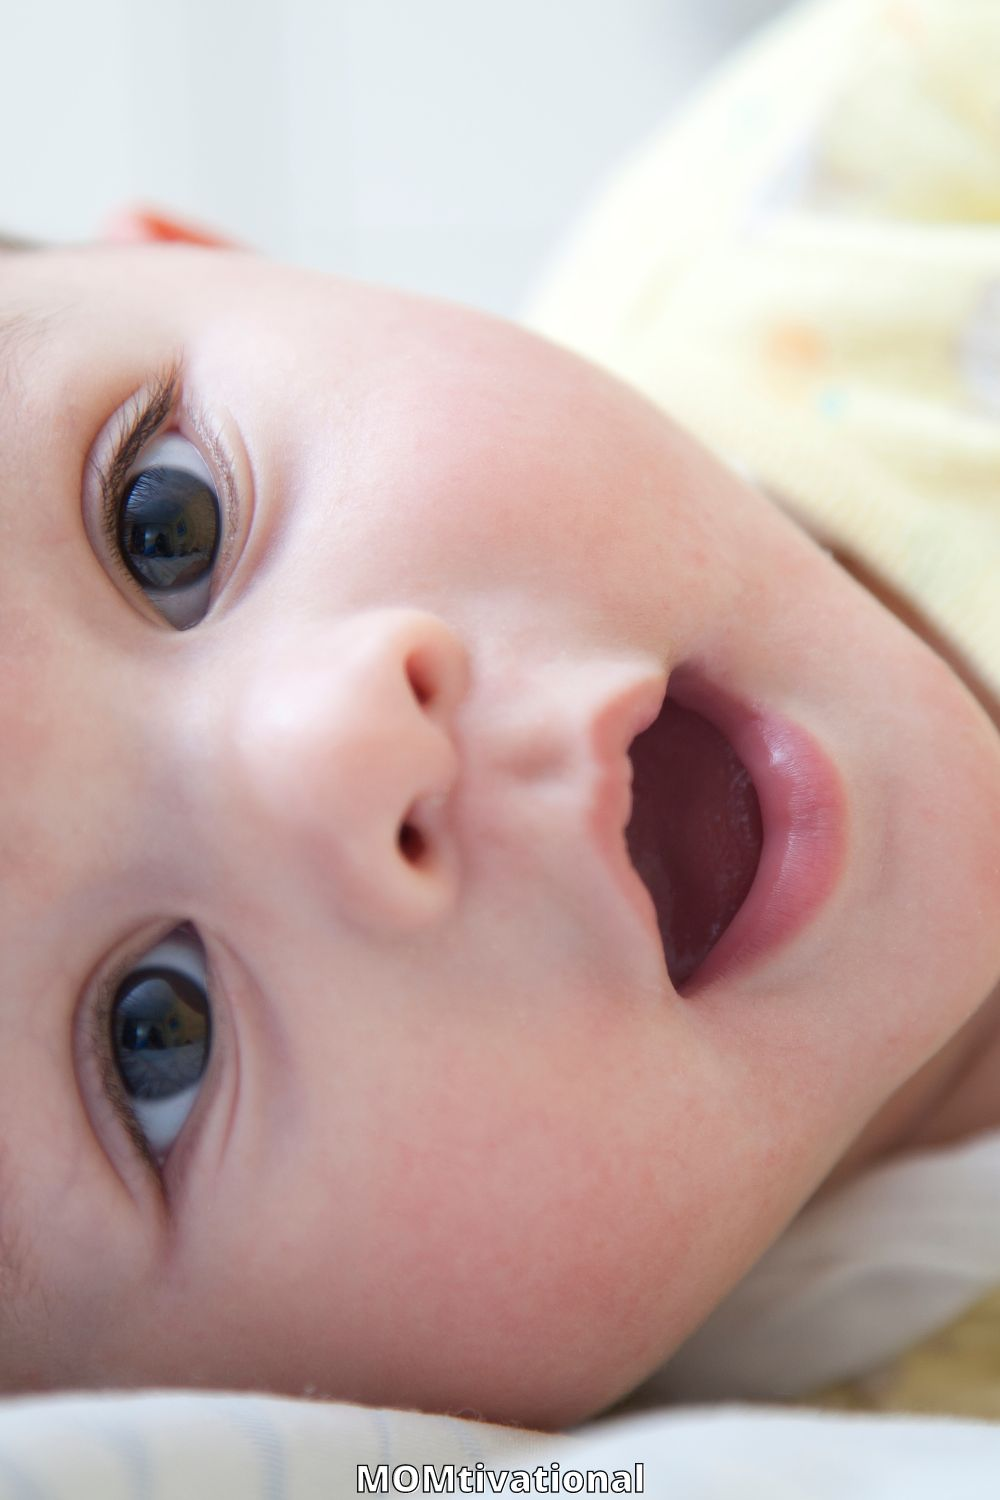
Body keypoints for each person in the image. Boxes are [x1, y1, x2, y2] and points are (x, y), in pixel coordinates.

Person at [0, 0, 997, 1432]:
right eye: (156, 1036)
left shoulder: (895, 158)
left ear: (224, 265)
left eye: (165, 523)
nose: (346, 758)